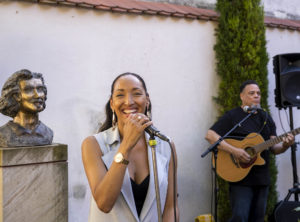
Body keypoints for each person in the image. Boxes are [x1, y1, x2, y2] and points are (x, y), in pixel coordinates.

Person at [82, 72, 179, 222]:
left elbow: (170, 207)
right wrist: (126, 145)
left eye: (137, 94)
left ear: (147, 100)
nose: (129, 101)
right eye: (120, 95)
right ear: (112, 103)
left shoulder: (166, 145)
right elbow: (104, 203)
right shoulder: (93, 144)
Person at [205, 80, 295, 222]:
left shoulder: (266, 118)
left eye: (258, 93)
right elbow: (210, 135)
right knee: (240, 217)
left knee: (258, 219)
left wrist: (285, 145)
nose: (256, 96)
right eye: (251, 93)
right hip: (240, 177)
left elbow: (274, 148)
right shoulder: (233, 116)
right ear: (242, 96)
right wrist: (235, 151)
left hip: (261, 178)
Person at [0, 69, 53, 147]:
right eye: (29, 90)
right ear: (16, 96)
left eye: (40, 89)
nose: (38, 95)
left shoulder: (47, 132)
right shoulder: (3, 134)